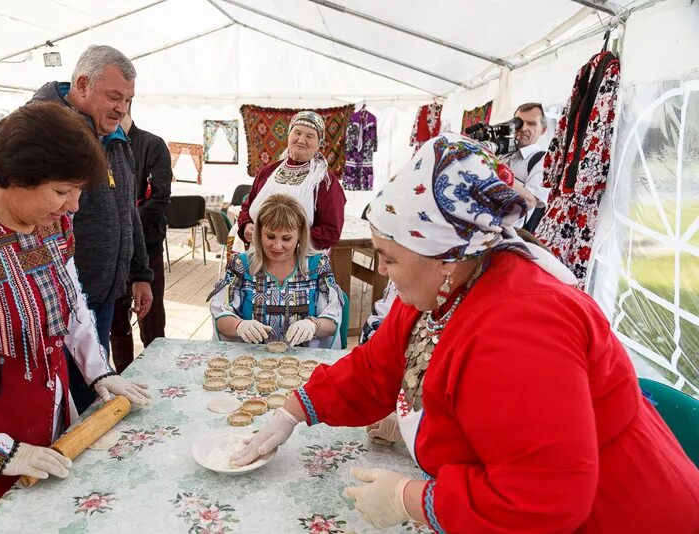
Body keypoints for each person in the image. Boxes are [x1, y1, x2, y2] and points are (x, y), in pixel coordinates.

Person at [231, 134, 699, 532]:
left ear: (444, 254)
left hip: (619, 512)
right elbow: (379, 365)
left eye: (389, 258)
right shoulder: (443, 286)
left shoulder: (523, 328)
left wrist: (411, 499)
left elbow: (544, 495)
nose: (383, 272)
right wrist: (294, 410)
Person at [0, 102, 152, 534]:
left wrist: (98, 372)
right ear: (15, 178)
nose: (73, 206)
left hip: (46, 416)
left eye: (78, 192)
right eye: (61, 191)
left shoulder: (51, 224)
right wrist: (1, 452)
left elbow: (71, 302)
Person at [0, 45, 154, 413]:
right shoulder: (31, 132)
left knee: (92, 392)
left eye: (128, 99)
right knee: (50, 399)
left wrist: (139, 272)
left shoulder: (117, 138)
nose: (122, 108)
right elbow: (0, 211)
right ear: (82, 84)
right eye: (114, 96)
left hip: (98, 293)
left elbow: (129, 209)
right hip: (42, 301)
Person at [208, 193, 344, 348]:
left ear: (300, 235)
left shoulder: (317, 265)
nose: (277, 246)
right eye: (270, 237)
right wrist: (239, 326)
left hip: (303, 361)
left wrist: (313, 325)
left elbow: (333, 319)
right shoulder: (242, 264)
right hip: (251, 359)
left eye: (286, 239)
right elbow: (221, 316)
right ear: (259, 232)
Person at [110, 106, 172, 373]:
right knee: (116, 325)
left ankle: (158, 376)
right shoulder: (98, 145)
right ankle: (123, 375)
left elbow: (158, 200)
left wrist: (120, 220)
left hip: (146, 248)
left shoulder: (152, 145)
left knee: (152, 321)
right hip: (110, 254)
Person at [235, 111, 346, 250]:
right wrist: (246, 225)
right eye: (297, 133)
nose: (301, 140)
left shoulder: (325, 181)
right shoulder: (269, 171)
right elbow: (247, 206)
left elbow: (331, 231)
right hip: (255, 254)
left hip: (298, 263)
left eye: (310, 136)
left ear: (319, 143)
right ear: (289, 135)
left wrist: (289, 241)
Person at [501, 102, 549, 232]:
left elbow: (529, 201)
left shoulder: (543, 160)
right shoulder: (503, 151)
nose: (524, 128)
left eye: (532, 124)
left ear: (543, 130)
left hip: (507, 233)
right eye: (519, 122)